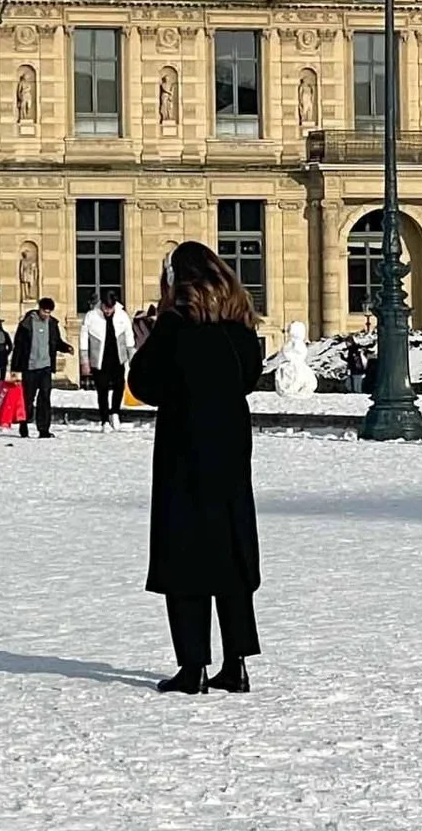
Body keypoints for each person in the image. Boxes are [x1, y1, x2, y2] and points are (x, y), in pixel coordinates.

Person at [127, 242, 263, 696]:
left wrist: (147, 344)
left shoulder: (175, 328)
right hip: (229, 451)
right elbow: (247, 378)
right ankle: (236, 662)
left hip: (184, 451)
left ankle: (192, 667)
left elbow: (145, 385)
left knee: (184, 553)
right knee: (230, 553)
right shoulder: (239, 330)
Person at [11, 298, 72, 439]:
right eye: (45, 311)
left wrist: (66, 348)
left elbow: (56, 342)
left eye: (49, 312)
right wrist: (15, 368)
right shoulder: (26, 324)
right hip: (30, 367)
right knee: (28, 399)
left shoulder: (52, 324)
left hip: (45, 367)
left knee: (45, 398)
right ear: (39, 309)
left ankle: (44, 429)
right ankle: (24, 424)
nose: (47, 314)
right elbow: (18, 347)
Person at [81, 289, 136, 429]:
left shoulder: (122, 315)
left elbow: (129, 337)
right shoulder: (91, 316)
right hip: (99, 358)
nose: (108, 311)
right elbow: (83, 339)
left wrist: (132, 358)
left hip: (117, 357)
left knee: (119, 386)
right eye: (106, 307)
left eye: (110, 308)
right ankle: (104, 419)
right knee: (102, 389)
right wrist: (85, 361)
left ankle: (115, 412)